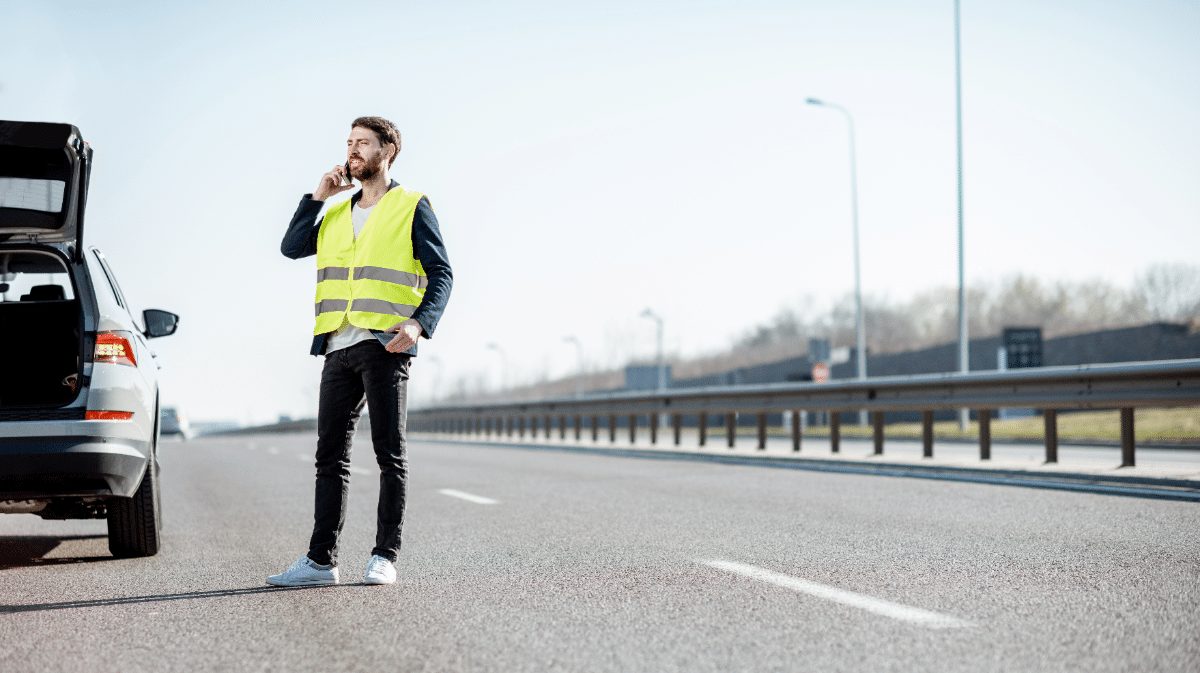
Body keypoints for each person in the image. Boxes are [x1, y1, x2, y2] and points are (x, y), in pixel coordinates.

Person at [268, 116, 452, 587]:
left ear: (386, 152)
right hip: (337, 345)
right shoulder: (332, 211)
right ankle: (320, 561)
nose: (353, 151)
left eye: (363, 143)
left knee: (389, 453)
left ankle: (384, 555)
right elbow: (291, 248)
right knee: (329, 457)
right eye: (349, 143)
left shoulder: (411, 205)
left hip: (384, 343)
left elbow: (442, 273)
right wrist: (317, 195)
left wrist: (418, 324)